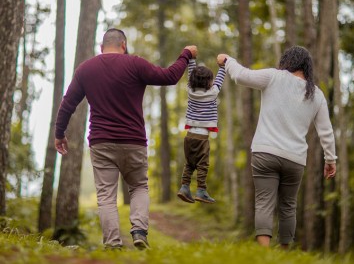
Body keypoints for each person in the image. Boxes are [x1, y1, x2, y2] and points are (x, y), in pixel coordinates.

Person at [54, 28, 197, 250]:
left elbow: (68, 104)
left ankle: (112, 244)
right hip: (133, 141)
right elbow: (170, 77)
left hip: (101, 142)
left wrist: (59, 133)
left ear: (102, 48)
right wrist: (186, 54)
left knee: (106, 196)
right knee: (139, 186)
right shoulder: (135, 64)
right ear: (124, 44)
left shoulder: (86, 69)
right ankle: (139, 231)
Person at [217, 46, 337, 248]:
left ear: (287, 62)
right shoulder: (316, 94)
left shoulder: (273, 77)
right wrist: (330, 159)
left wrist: (228, 60)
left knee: (264, 202)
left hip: (265, 153)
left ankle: (264, 255)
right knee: (288, 207)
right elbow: (326, 131)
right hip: (295, 159)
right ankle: (283, 254)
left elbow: (241, 76)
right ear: (307, 67)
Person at [177, 57, 226, 204]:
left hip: (189, 136)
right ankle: (201, 190)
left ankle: (184, 187)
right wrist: (222, 67)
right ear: (209, 82)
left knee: (189, 163)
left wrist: (191, 60)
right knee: (202, 165)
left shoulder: (190, 91)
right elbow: (220, 80)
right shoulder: (213, 93)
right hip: (202, 138)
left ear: (192, 81)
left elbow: (191, 73)